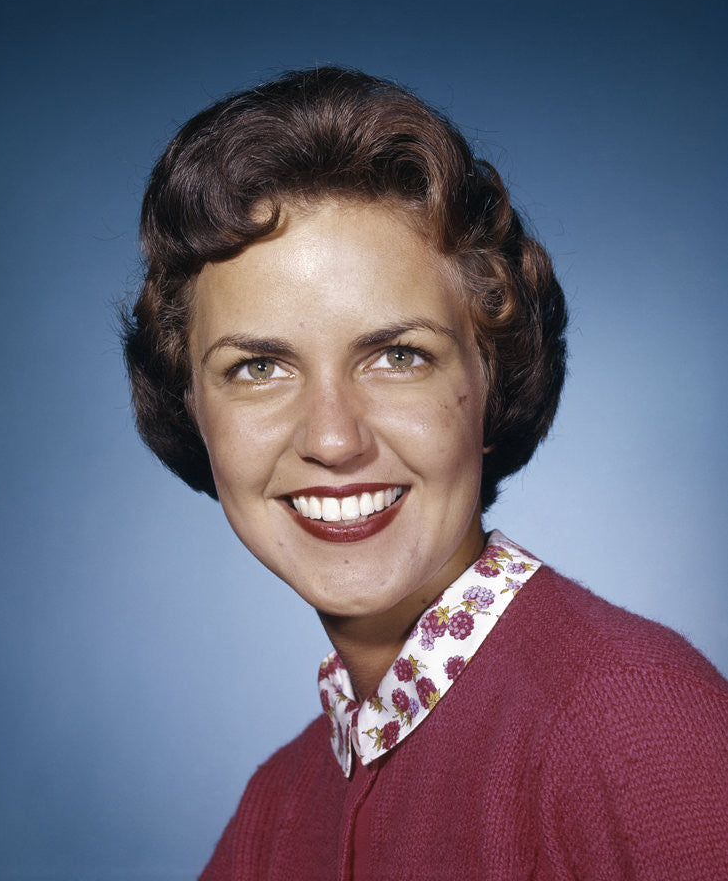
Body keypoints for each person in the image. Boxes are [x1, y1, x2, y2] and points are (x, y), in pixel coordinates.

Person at [123, 67, 728, 880]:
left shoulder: (634, 725)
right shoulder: (278, 805)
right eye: (259, 367)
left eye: (398, 356)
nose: (332, 439)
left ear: (491, 379)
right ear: (192, 408)